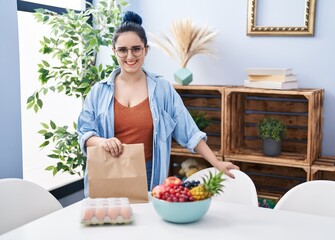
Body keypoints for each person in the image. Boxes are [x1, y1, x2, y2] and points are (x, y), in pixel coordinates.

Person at [77, 11, 239, 197]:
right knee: (109, 222)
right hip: (107, 171)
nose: (130, 56)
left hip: (149, 173)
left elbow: (190, 131)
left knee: (146, 224)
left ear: (146, 50)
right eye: (123, 50)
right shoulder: (98, 91)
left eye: (136, 49)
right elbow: (84, 133)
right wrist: (103, 142)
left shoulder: (162, 88)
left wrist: (216, 162)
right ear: (114, 51)